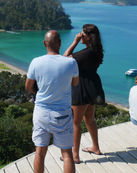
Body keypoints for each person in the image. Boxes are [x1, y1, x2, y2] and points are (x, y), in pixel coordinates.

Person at [26, 30, 79, 173]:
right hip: (62, 114)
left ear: (44, 43)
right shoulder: (71, 62)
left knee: (40, 153)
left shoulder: (36, 62)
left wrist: (42, 91)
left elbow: (28, 87)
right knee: (67, 154)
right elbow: (75, 83)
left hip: (41, 112)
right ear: (60, 43)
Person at [63, 24, 105, 163]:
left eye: (81, 34)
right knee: (90, 120)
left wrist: (74, 42)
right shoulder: (96, 51)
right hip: (93, 87)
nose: (79, 35)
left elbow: (64, 58)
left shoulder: (86, 53)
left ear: (87, 37)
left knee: (75, 123)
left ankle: (74, 156)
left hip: (81, 88)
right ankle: (95, 147)